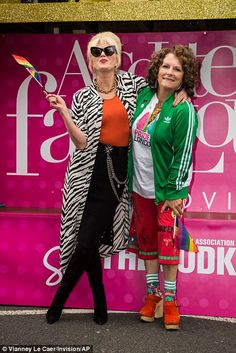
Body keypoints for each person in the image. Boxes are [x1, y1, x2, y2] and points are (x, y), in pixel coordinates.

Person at [45, 32, 188, 325]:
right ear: (89, 60)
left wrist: (182, 90)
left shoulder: (134, 86)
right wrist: (63, 112)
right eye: (96, 51)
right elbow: (81, 142)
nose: (102, 54)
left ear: (119, 55)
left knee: (86, 243)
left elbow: (165, 85)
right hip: (86, 173)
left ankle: (60, 300)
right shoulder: (82, 96)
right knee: (88, 241)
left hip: (118, 174)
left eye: (109, 49)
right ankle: (98, 302)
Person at [127, 45, 199, 330]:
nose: (170, 72)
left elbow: (184, 155)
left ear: (184, 78)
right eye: (166, 66)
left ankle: (170, 301)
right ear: (157, 69)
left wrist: (174, 192)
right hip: (139, 188)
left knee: (168, 246)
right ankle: (153, 295)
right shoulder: (144, 96)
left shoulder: (184, 108)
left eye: (177, 69)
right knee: (147, 243)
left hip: (167, 194)